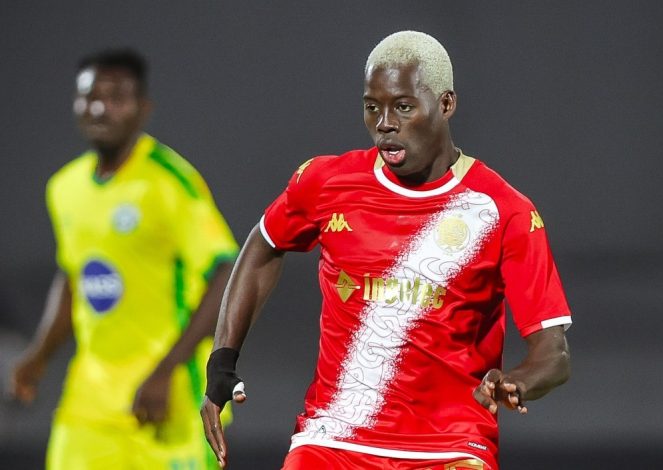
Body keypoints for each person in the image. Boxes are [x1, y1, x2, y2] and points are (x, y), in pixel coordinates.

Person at [201, 31, 572, 470]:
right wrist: (222, 360)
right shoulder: (326, 182)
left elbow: (553, 352)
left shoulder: (503, 210)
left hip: (449, 448)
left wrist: (518, 381)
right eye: (372, 107)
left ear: (446, 104)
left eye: (403, 107)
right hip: (332, 440)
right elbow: (264, 244)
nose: (385, 123)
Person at [8, 48, 239, 469]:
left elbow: (226, 272)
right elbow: (74, 275)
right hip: (90, 400)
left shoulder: (170, 182)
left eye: (116, 97)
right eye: (90, 96)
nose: (100, 108)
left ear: (141, 108)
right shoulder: (65, 188)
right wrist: (38, 356)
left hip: (165, 399)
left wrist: (167, 369)